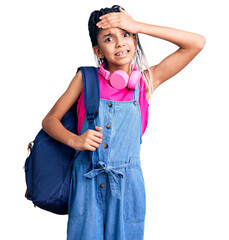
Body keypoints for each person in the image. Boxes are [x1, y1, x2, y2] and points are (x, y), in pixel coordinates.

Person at [42, 5, 206, 240]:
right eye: (110, 38)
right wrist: (75, 140)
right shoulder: (86, 79)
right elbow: (50, 120)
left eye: (126, 34)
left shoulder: (146, 82)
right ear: (98, 51)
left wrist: (138, 25)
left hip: (127, 188)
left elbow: (196, 43)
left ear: (135, 40)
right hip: (86, 185)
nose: (120, 43)